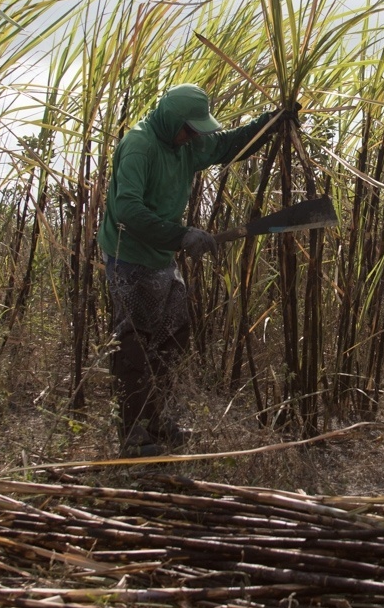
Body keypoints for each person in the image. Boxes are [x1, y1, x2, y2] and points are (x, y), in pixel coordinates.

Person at [99, 85, 296, 456]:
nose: (193, 137)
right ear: (172, 121)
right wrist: (181, 235)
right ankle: (133, 434)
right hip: (129, 255)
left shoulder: (186, 143)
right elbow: (127, 210)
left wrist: (269, 123)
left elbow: (227, 145)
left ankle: (157, 420)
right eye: (189, 129)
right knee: (135, 342)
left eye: (196, 131)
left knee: (174, 334)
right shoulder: (140, 146)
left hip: (161, 255)